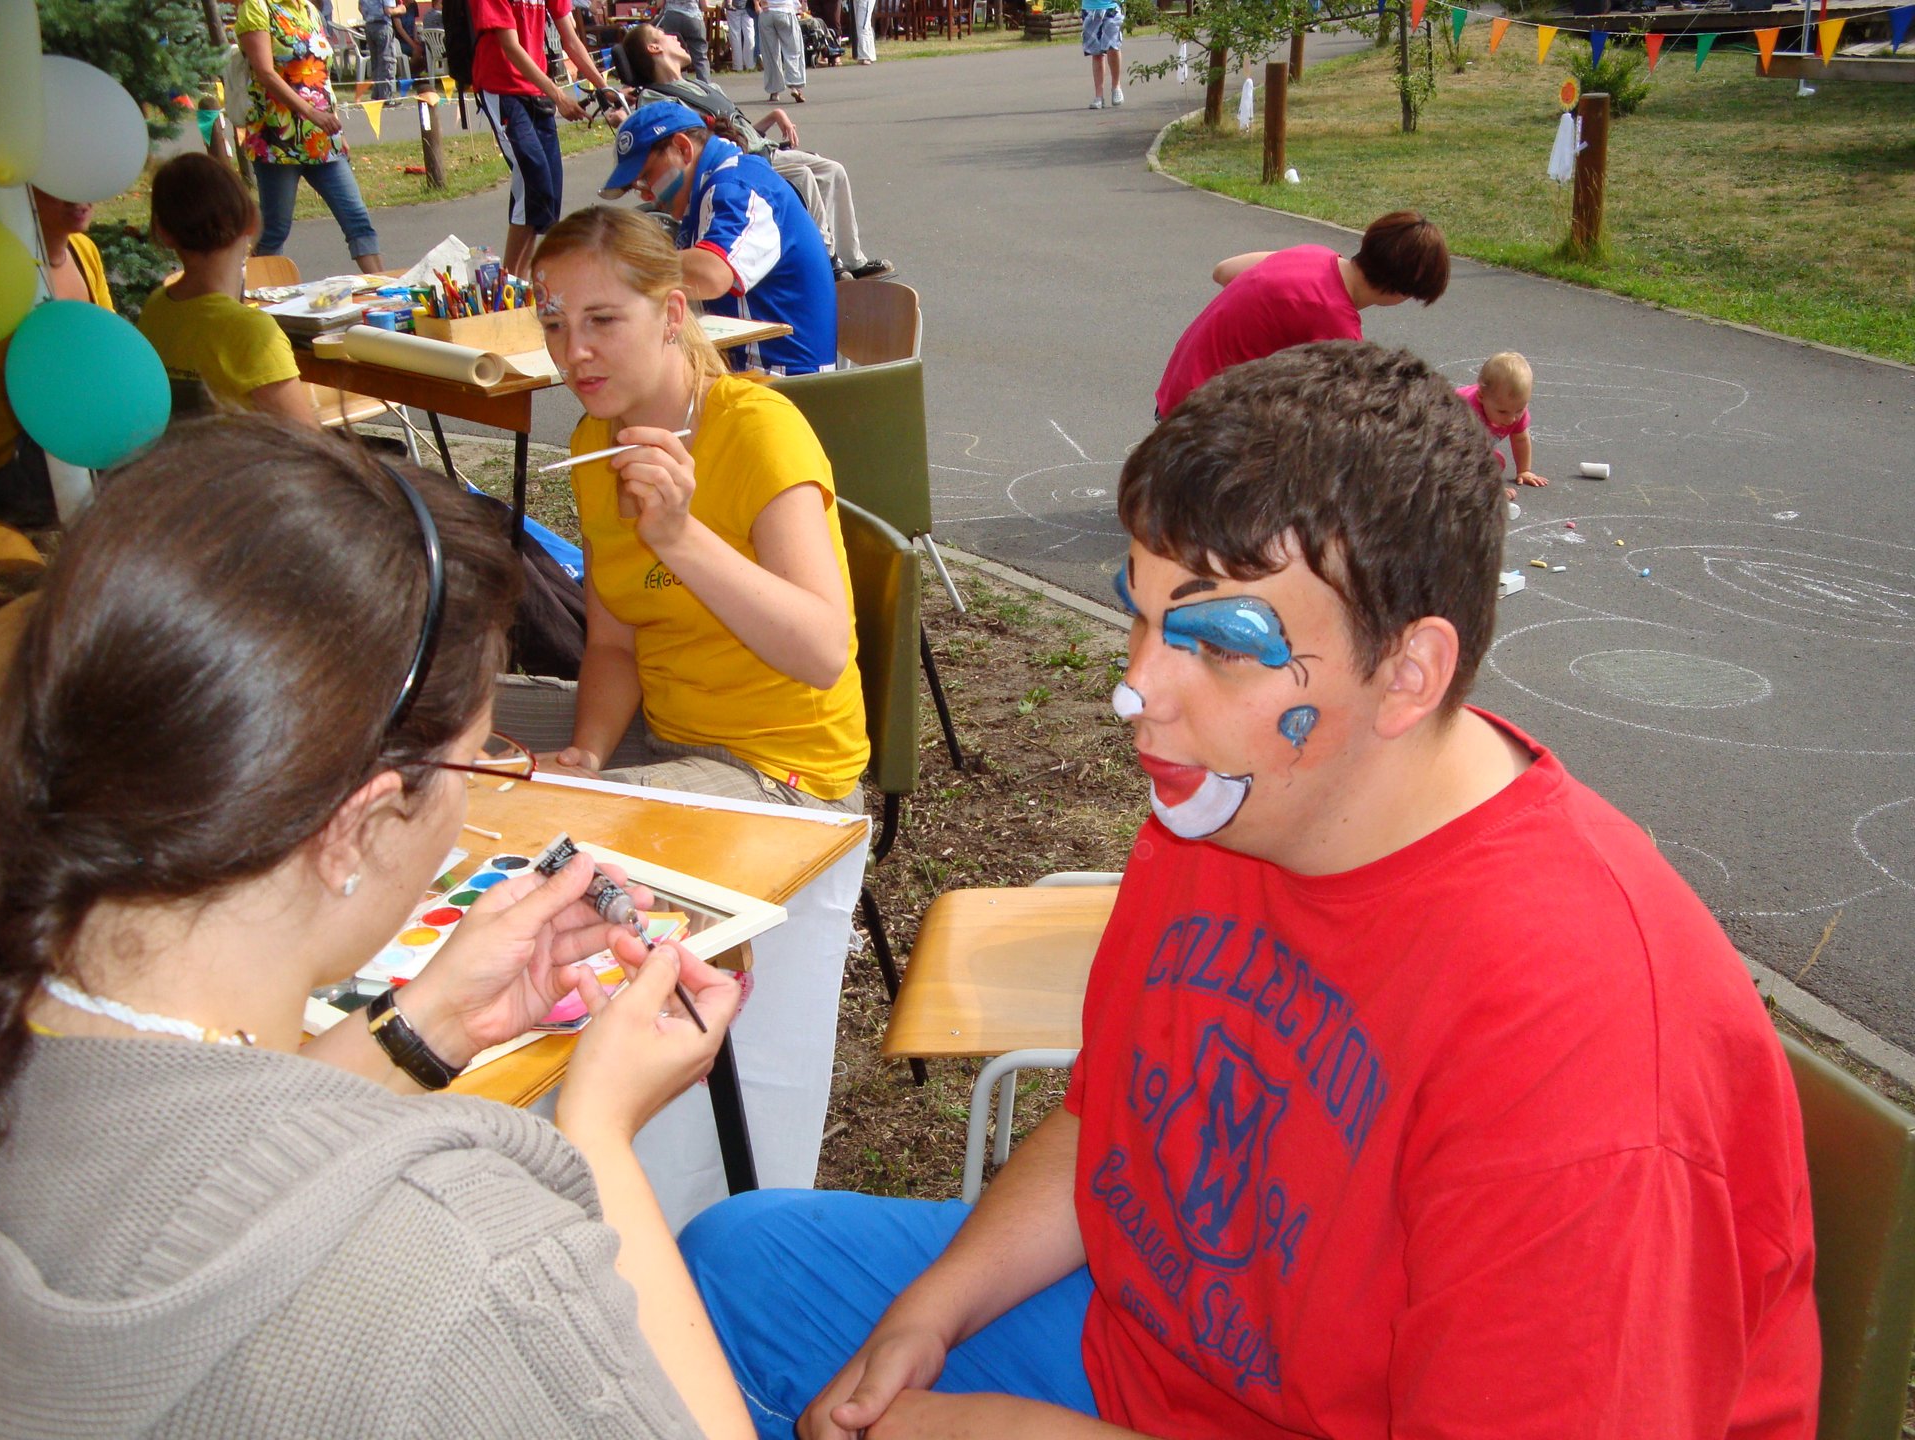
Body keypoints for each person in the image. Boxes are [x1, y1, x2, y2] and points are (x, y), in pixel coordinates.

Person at [675, 341, 1822, 1440]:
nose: (1137, 690)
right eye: (1137, 609)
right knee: (732, 1260)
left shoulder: (1587, 1052)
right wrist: (930, 1316)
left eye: (1219, 644)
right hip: (1160, 1351)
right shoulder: (1230, 800)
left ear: (1408, 672)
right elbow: (1107, 1124)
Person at [0, 415, 751, 1438]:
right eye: (480, 757)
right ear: (356, 826)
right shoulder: (465, 1269)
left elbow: (208, 1178)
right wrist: (601, 1136)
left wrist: (426, 1022)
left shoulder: (43, 1039)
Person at [503, 206, 865, 811]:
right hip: (663, 737)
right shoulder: (596, 443)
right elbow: (615, 646)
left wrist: (678, 536)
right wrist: (586, 756)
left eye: (602, 320)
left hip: (785, 772)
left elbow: (823, 653)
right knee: (438, 724)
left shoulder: (757, 431)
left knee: (537, 815)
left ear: (671, 314)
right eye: (555, 324)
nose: (575, 353)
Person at [619, 24, 891, 281]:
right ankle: (828, 263)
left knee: (833, 170)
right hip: (733, 163)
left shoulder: (705, 87)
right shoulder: (658, 99)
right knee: (802, 176)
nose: (674, 36)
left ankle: (852, 259)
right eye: (664, 34)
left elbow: (739, 129)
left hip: (761, 149)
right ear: (654, 48)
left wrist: (773, 115)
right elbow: (691, 146)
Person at [599, 103, 838, 375]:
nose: (645, 195)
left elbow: (712, 273)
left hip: (787, 383)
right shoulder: (708, 191)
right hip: (756, 373)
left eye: (645, 178)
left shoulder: (738, 187)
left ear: (682, 148)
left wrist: (616, 270)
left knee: (630, 398)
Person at [1154, 210, 1448, 418]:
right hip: (1202, 416)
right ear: (1401, 291)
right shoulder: (1336, 323)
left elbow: (1224, 271)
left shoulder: (1314, 254)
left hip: (1179, 386)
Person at [135, 155, 316, 428]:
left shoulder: (156, 307)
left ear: (163, 232)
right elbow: (311, 448)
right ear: (252, 222)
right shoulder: (251, 332)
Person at [470, 0, 621, 277]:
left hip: (535, 89)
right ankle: (510, 282)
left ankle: (521, 281)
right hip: (501, 88)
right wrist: (559, 96)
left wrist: (605, 88)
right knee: (533, 176)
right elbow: (511, 47)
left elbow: (571, 40)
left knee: (547, 192)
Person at [235, 0, 386, 274]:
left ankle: (387, 291)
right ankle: (254, 298)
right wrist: (310, 113)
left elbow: (320, 76)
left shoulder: (309, 10)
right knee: (275, 231)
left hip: (321, 139)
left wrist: (336, 128)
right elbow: (265, 72)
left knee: (357, 219)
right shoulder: (257, 7)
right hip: (277, 138)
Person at [0, 190, 115, 528]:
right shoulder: (4, 268)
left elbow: (106, 342)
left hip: (81, 433)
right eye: (57, 186)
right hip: (14, 458)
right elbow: (32, 382)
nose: (78, 196)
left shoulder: (84, 251)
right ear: (21, 191)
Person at [1459, 350, 1548, 496]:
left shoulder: (1513, 409)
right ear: (1481, 396)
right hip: (1434, 441)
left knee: (1495, 461)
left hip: (1468, 448)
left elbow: (1520, 439)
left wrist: (1524, 470)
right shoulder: (1466, 413)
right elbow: (1461, 456)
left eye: (1519, 410)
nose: (1511, 419)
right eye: (1502, 412)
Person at [757, 0, 805, 102]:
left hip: (766, 12)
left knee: (770, 53)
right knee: (792, 50)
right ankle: (794, 86)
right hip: (785, 10)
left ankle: (774, 92)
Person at [657, 0, 713, 81]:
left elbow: (660, 4)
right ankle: (706, 87)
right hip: (693, 18)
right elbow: (705, 6)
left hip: (672, 18)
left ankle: (679, 86)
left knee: (674, 55)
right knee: (700, 57)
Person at [361, 0, 404, 100]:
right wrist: (400, 9)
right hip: (383, 25)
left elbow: (360, 7)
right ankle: (386, 97)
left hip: (369, 26)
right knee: (387, 62)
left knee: (376, 63)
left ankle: (376, 94)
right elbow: (388, 10)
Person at [1082, 0, 1121, 108]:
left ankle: (1116, 86)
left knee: (1113, 47)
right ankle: (1099, 96)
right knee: (1096, 52)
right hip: (1090, 8)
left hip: (1112, 6)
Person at [726, 0, 758, 71]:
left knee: (735, 36)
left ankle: (737, 66)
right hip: (748, 6)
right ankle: (750, 64)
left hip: (733, 6)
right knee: (749, 33)